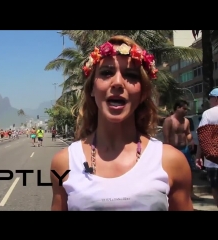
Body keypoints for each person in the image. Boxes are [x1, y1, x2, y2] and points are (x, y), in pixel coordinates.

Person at [50, 35, 193, 211]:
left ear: (142, 92)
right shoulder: (64, 163)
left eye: (131, 75)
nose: (117, 83)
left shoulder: (170, 161)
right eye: (107, 73)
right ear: (92, 88)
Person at [195, 88, 218, 207]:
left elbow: (202, 136)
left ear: (215, 99)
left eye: (210, 99)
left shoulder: (208, 113)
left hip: (213, 160)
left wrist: (198, 156)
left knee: (215, 186)